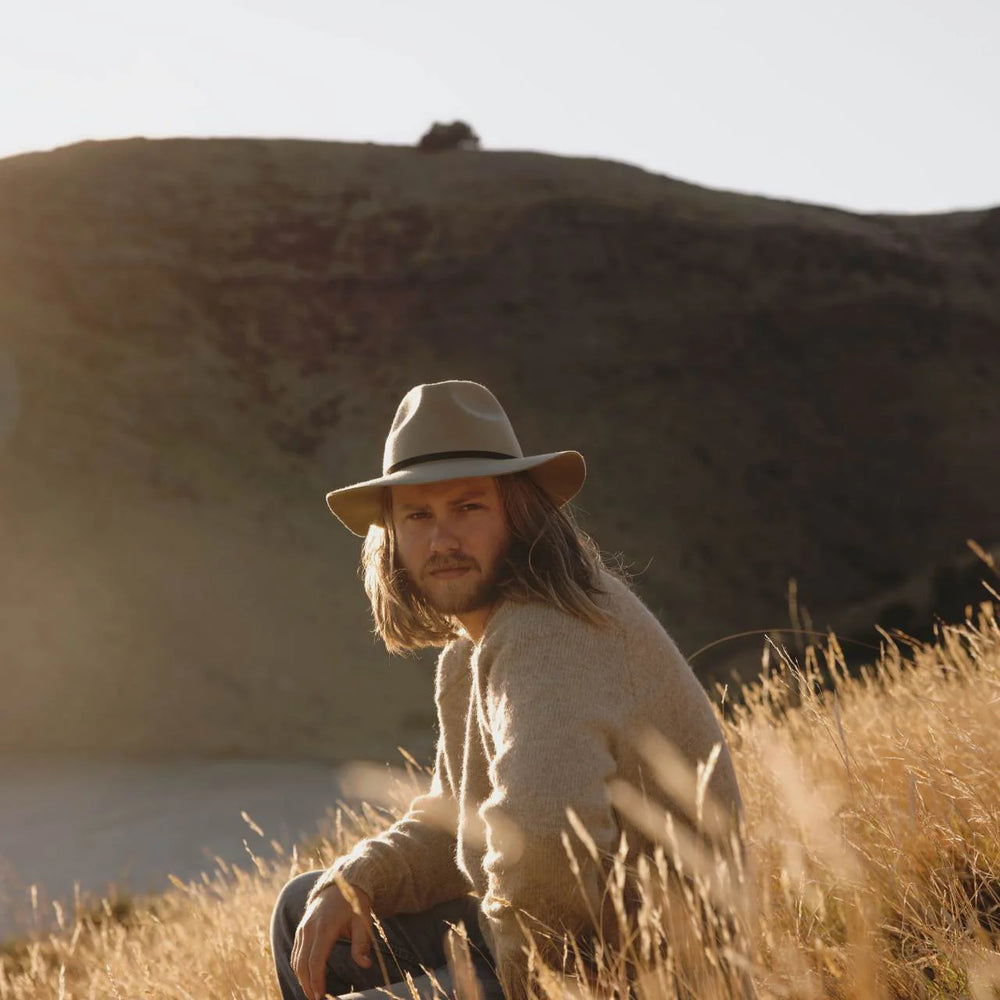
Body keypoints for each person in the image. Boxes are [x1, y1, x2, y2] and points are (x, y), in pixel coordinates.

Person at [270, 380, 744, 1000]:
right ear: (391, 536)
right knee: (306, 905)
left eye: (468, 508)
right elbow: (457, 832)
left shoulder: (548, 632)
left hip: (642, 972)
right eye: (418, 515)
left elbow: (548, 837)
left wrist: (528, 986)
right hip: (571, 939)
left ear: (519, 514)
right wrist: (353, 882)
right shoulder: (474, 650)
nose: (442, 541)